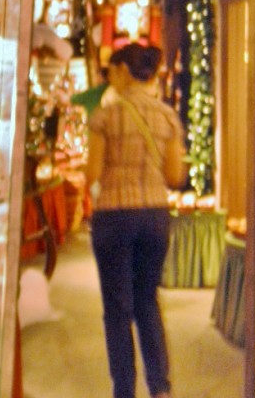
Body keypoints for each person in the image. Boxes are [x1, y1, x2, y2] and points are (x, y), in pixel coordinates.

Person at [86, 43, 187, 398]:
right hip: (155, 218)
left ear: (124, 71)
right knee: (147, 300)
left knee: (117, 308)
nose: (109, 79)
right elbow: (175, 175)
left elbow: (92, 172)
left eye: (111, 71)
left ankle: (124, 391)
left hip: (114, 216)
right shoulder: (167, 117)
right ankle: (160, 388)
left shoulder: (105, 117)